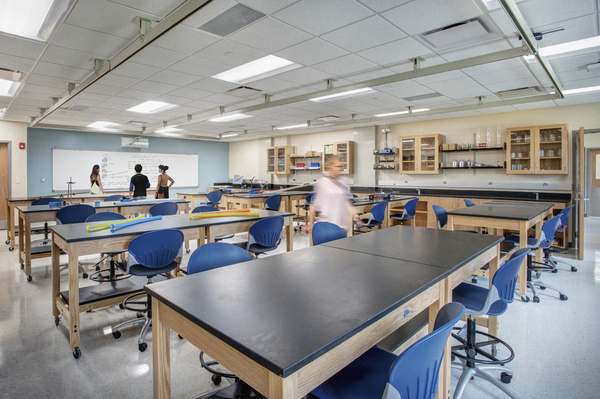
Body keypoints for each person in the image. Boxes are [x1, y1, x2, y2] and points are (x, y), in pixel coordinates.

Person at [303, 155, 357, 233]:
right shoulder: (323, 182)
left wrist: (356, 217)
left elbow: (346, 203)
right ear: (330, 166)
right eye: (337, 166)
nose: (340, 169)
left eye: (341, 166)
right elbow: (315, 205)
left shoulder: (344, 181)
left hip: (342, 224)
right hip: (328, 224)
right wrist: (307, 224)